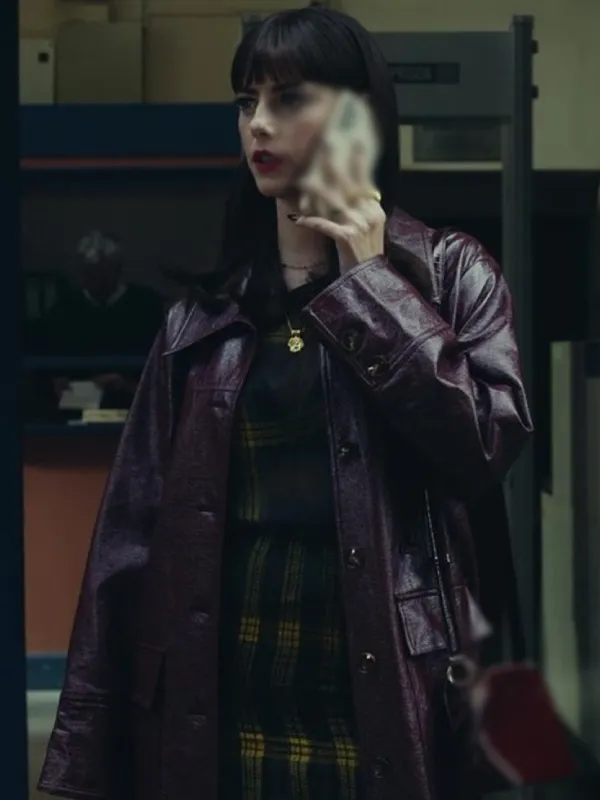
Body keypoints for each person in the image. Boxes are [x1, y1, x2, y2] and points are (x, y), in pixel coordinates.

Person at [39, 7, 533, 800]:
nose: (258, 124)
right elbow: (125, 550)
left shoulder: (449, 275)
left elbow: (481, 448)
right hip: (219, 704)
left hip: (383, 700)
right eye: (247, 102)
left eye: (289, 98)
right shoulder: (204, 319)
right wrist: (81, 764)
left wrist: (370, 282)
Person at [42, 230, 165, 409]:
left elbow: (162, 377)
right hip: (78, 411)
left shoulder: (147, 307)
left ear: (118, 269)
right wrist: (94, 387)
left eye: (103, 272)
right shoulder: (62, 311)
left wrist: (124, 385)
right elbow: (55, 385)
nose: (97, 279)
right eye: (91, 272)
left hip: (135, 407)